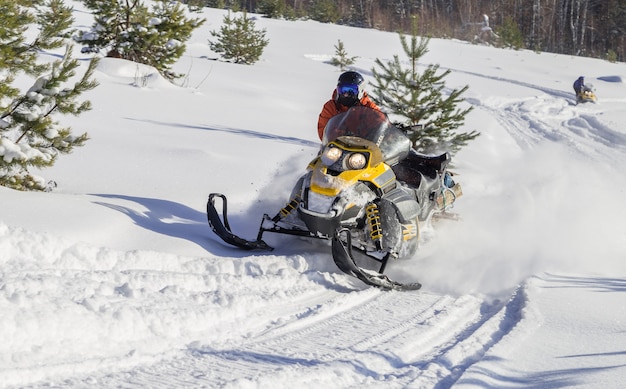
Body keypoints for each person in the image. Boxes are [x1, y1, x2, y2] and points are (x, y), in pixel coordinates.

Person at [317, 71, 381, 140]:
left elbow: (380, 124)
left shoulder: (369, 108)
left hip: (364, 147)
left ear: (360, 91)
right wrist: (342, 134)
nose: (346, 94)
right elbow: (323, 130)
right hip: (337, 145)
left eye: (351, 90)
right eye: (342, 90)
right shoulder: (331, 106)